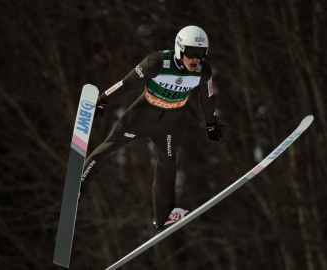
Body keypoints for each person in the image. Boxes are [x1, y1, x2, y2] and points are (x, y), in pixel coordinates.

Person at [79, 25, 227, 233]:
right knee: (109, 148)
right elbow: (126, 83)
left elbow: (207, 97)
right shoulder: (156, 63)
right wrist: (103, 98)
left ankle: (164, 217)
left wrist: (211, 122)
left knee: (168, 163)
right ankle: (79, 187)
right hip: (142, 116)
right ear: (179, 49)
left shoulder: (203, 72)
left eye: (201, 54)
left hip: (171, 123)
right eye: (192, 53)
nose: (196, 59)